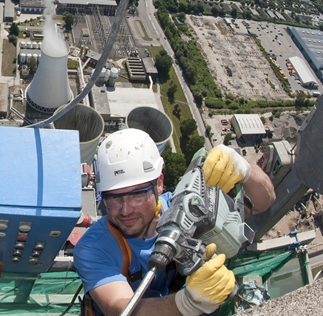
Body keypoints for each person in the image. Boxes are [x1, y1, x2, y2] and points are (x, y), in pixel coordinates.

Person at [74, 129, 276, 316]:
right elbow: (118, 307)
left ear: (159, 184)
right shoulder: (94, 247)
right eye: (113, 198)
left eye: (137, 195)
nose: (125, 210)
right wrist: (186, 303)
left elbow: (263, 202)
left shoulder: (188, 209)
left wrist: (243, 168)